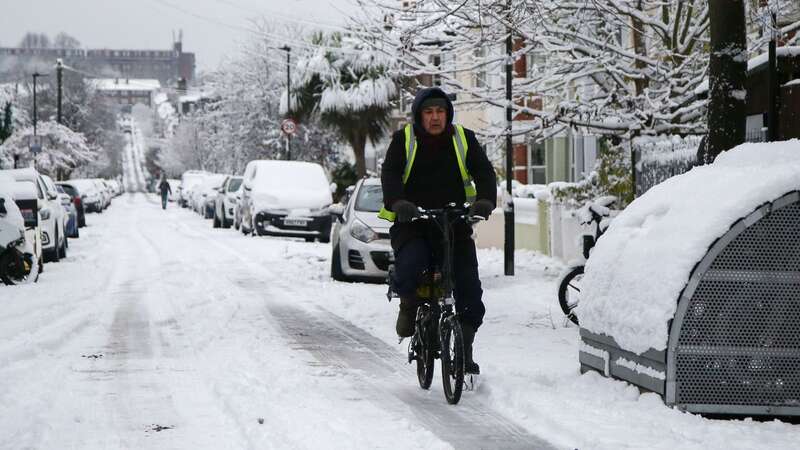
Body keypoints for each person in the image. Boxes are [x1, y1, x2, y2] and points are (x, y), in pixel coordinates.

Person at [379, 87, 497, 374]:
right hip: (414, 222)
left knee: (469, 285)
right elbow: (391, 173)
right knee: (411, 266)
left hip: (453, 222)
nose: (435, 118)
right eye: (429, 112)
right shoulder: (404, 139)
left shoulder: (463, 139)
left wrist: (484, 200)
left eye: (440, 111)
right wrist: (399, 203)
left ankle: (465, 352)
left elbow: (483, 172)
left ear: (448, 114)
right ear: (420, 115)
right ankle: (409, 305)